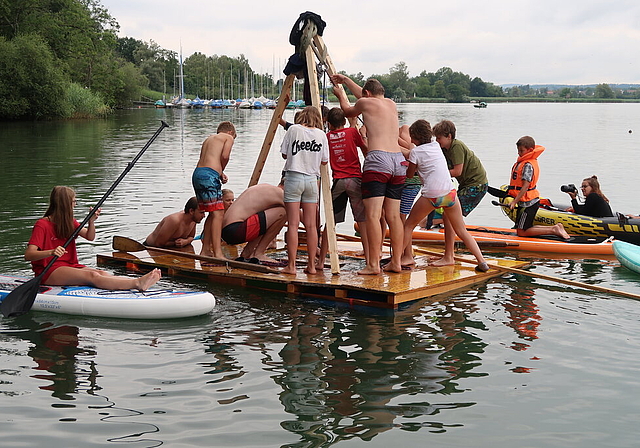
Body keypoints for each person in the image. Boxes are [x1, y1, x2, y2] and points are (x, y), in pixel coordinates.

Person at [331, 74, 407, 275]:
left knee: (373, 215)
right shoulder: (390, 104)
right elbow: (365, 98)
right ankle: (396, 262)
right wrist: (346, 80)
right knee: (393, 217)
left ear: (367, 93)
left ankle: (373, 265)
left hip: (378, 160)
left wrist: (340, 94)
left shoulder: (365, 102)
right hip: (398, 161)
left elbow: (348, 112)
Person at [25, 186, 161, 291]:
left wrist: (91, 221)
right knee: (93, 277)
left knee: (100, 272)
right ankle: (137, 283)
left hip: (69, 266)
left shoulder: (70, 222)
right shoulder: (42, 225)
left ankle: (133, 282)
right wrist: (51, 252)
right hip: (48, 271)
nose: (75, 205)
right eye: (73, 202)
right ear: (65, 204)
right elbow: (29, 255)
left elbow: (90, 237)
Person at [400, 120, 489, 272]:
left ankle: (396, 260)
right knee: (461, 231)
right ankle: (481, 261)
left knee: (408, 226)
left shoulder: (415, 152)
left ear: (415, 138)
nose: (411, 141)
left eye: (412, 138)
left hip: (433, 195)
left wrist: (410, 165)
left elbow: (409, 175)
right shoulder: (436, 146)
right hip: (450, 193)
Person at [317, 107, 368, 269]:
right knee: (363, 221)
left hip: (339, 181)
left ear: (329, 124)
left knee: (330, 222)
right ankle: (369, 257)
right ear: (344, 122)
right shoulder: (352, 133)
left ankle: (320, 261)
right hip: (355, 179)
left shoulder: (326, 137)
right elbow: (365, 148)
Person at [280, 106, 329, 275]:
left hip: (294, 177)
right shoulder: (322, 135)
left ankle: (292, 266)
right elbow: (324, 161)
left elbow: (284, 154)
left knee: (293, 224)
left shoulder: (293, 129)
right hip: (312, 180)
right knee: (311, 226)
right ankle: (312, 266)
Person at [432, 120, 489, 264]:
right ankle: (448, 254)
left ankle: (449, 256)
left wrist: (435, 174)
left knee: (449, 216)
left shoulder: (456, 146)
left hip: (476, 185)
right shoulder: (444, 149)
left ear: (449, 136)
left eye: (439, 138)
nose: (437, 141)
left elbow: (457, 171)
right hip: (466, 185)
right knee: (448, 216)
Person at [506, 136, 570, 238]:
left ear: (530, 150)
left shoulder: (527, 165)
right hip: (527, 202)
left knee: (522, 232)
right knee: (525, 228)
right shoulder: (524, 162)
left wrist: (514, 202)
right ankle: (555, 228)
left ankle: (554, 229)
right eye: (518, 151)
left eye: (521, 151)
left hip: (528, 203)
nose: (519, 153)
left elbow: (525, 187)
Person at [192, 121, 236, 258]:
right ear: (230, 132)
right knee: (218, 213)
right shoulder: (227, 137)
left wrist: (220, 173)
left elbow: (206, 159)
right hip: (210, 176)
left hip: (198, 174)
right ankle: (218, 253)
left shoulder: (208, 139)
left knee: (212, 213)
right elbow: (225, 156)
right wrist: (221, 170)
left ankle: (205, 249)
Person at [221, 184, 287, 264]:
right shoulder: (280, 193)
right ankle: (258, 253)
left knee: (268, 216)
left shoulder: (266, 189)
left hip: (227, 231)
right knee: (285, 212)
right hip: (236, 230)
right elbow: (298, 214)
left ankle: (247, 252)